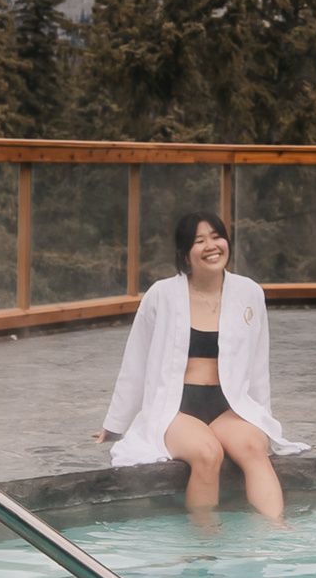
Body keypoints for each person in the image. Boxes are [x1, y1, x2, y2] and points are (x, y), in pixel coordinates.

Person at [98, 210, 299, 518]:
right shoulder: (161, 295)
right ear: (185, 253)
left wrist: (260, 415)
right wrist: (114, 424)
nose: (211, 246)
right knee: (207, 454)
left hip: (228, 405)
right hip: (178, 407)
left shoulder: (249, 292)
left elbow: (258, 364)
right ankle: (204, 547)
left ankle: (276, 535)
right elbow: (135, 361)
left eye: (217, 237)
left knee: (253, 449)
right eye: (199, 240)